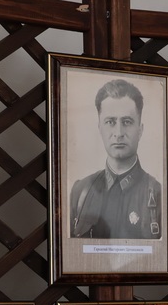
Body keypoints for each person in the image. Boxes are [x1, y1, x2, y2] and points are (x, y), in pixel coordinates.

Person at [69, 78, 162, 239]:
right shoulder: (80, 191)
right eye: (110, 122)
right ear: (100, 128)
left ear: (140, 130)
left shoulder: (159, 195)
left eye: (127, 122)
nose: (118, 133)